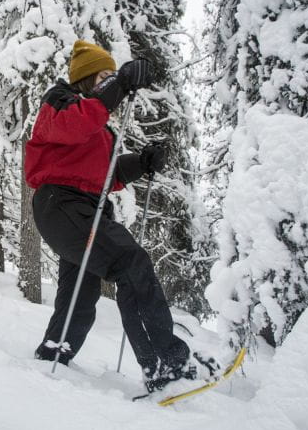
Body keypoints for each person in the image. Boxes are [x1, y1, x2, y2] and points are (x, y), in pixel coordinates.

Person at [24, 39, 193, 393]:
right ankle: (165, 363)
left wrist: (142, 162)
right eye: (103, 76)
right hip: (61, 202)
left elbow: (108, 173)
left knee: (81, 290)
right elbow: (73, 126)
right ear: (86, 79)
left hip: (86, 204)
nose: (109, 82)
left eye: (112, 76)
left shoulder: (98, 125)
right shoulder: (60, 101)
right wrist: (120, 84)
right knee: (129, 262)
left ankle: (55, 353)